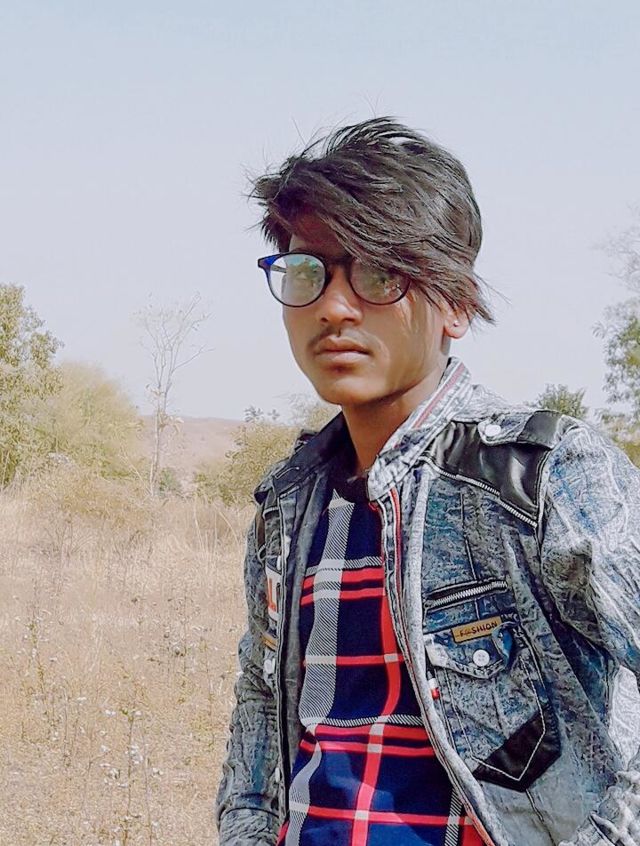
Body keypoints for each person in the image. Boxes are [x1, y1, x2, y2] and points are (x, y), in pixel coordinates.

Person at [216, 117, 640, 846]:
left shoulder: (541, 478)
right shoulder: (289, 503)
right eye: (309, 272)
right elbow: (260, 703)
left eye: (380, 274)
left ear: (457, 304)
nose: (334, 307)